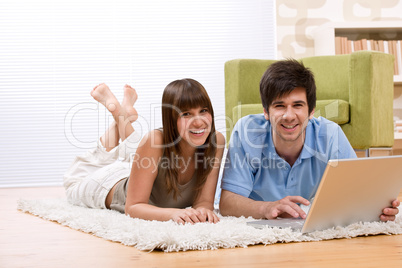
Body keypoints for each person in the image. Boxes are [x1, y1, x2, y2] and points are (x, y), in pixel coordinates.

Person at [219, 59, 399, 222]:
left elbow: (358, 190)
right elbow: (227, 203)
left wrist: (379, 207)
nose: (289, 116)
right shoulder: (247, 132)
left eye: (298, 105)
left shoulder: (330, 134)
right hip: (258, 227)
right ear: (266, 111)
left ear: (311, 111)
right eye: (279, 106)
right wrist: (267, 207)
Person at [64, 79, 225, 224]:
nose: (199, 122)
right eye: (186, 114)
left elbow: (204, 202)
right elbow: (132, 207)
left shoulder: (216, 141)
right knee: (77, 177)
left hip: (135, 173)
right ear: (170, 118)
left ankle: (122, 114)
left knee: (137, 149)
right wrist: (173, 214)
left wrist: (203, 210)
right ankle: (118, 112)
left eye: (203, 111)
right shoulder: (154, 141)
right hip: (105, 183)